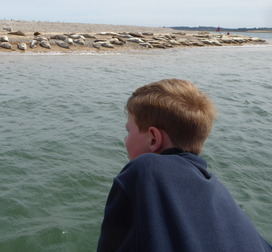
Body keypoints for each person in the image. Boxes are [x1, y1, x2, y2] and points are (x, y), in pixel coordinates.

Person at [97, 79, 272, 252]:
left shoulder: (146, 169)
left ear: (153, 138)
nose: (125, 139)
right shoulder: (222, 196)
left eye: (129, 131)